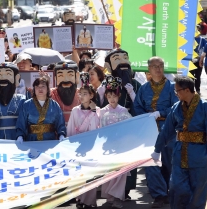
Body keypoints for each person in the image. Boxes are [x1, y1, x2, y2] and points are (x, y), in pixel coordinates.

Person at [152, 75, 207, 208]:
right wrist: (157, 149)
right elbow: (167, 130)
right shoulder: (176, 107)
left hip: (200, 154)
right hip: (179, 153)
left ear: (187, 90)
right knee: (177, 188)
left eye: (177, 91)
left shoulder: (205, 107)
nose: (176, 94)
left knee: (198, 190)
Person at [133, 57, 178, 208]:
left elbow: (177, 107)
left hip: (168, 130)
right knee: (151, 162)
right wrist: (145, 117)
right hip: (149, 130)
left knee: (168, 162)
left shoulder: (172, 87)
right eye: (154, 66)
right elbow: (137, 107)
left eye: (161, 66)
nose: (158, 69)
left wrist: (161, 112)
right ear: (149, 70)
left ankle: (170, 191)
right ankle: (159, 194)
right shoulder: (143, 88)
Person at [98, 75, 132, 208]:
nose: (112, 99)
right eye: (109, 96)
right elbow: (99, 129)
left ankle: (118, 197)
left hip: (121, 145)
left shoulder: (124, 111)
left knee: (121, 172)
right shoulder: (102, 111)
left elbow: (128, 128)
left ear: (119, 97)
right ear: (106, 97)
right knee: (110, 171)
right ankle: (110, 196)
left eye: (115, 96)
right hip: (107, 146)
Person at [67, 75, 100, 208]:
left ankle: (90, 201)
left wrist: (93, 111)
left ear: (91, 95)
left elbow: (98, 127)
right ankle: (79, 198)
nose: (81, 96)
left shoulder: (97, 110)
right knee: (79, 173)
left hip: (91, 145)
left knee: (90, 173)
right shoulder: (75, 110)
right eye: (80, 94)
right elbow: (70, 128)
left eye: (85, 94)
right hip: (79, 145)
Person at [16, 76, 66, 143]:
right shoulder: (26, 105)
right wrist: (20, 136)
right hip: (31, 141)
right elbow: (21, 123)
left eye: (43, 86)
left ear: (48, 89)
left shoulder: (54, 105)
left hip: (50, 141)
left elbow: (60, 123)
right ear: (34, 89)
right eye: (37, 87)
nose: (40, 89)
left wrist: (61, 135)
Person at [0, 63, 27, 140]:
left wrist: (22, 135)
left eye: (8, 74)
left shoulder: (22, 100)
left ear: (16, 79)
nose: (3, 77)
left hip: (18, 141)